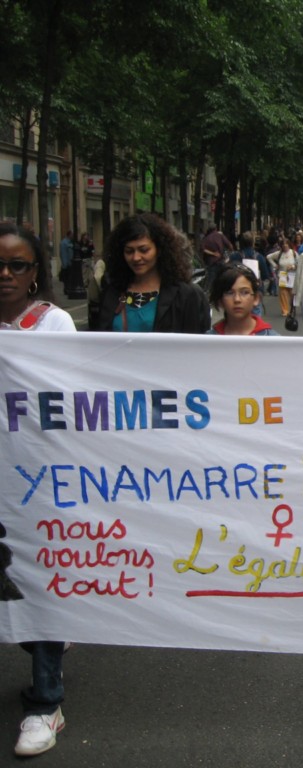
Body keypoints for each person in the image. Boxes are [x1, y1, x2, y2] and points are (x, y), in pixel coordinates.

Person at [0, 223, 75, 756]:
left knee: (38, 581)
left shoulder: (54, 324)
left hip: (35, 480)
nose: (5, 274)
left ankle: (46, 702)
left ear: (35, 272)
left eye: (17, 265)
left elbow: (70, 404)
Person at [97, 213, 210, 333]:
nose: (136, 257)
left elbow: (198, 346)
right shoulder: (112, 292)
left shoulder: (188, 295)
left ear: (160, 249)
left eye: (143, 250)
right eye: (129, 251)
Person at [207, 264, 278, 336]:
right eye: (229, 293)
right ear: (220, 301)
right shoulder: (207, 341)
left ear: (256, 298)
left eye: (245, 292)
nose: (237, 299)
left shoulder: (274, 341)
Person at [268, 235, 298, 316]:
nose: (285, 245)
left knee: (292, 293)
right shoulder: (279, 253)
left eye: (286, 244)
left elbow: (298, 263)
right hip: (283, 275)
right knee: (283, 293)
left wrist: (293, 266)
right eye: (283, 244)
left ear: (289, 244)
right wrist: (275, 265)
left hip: (292, 275)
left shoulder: (294, 253)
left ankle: (292, 307)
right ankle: (285, 310)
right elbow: (269, 257)